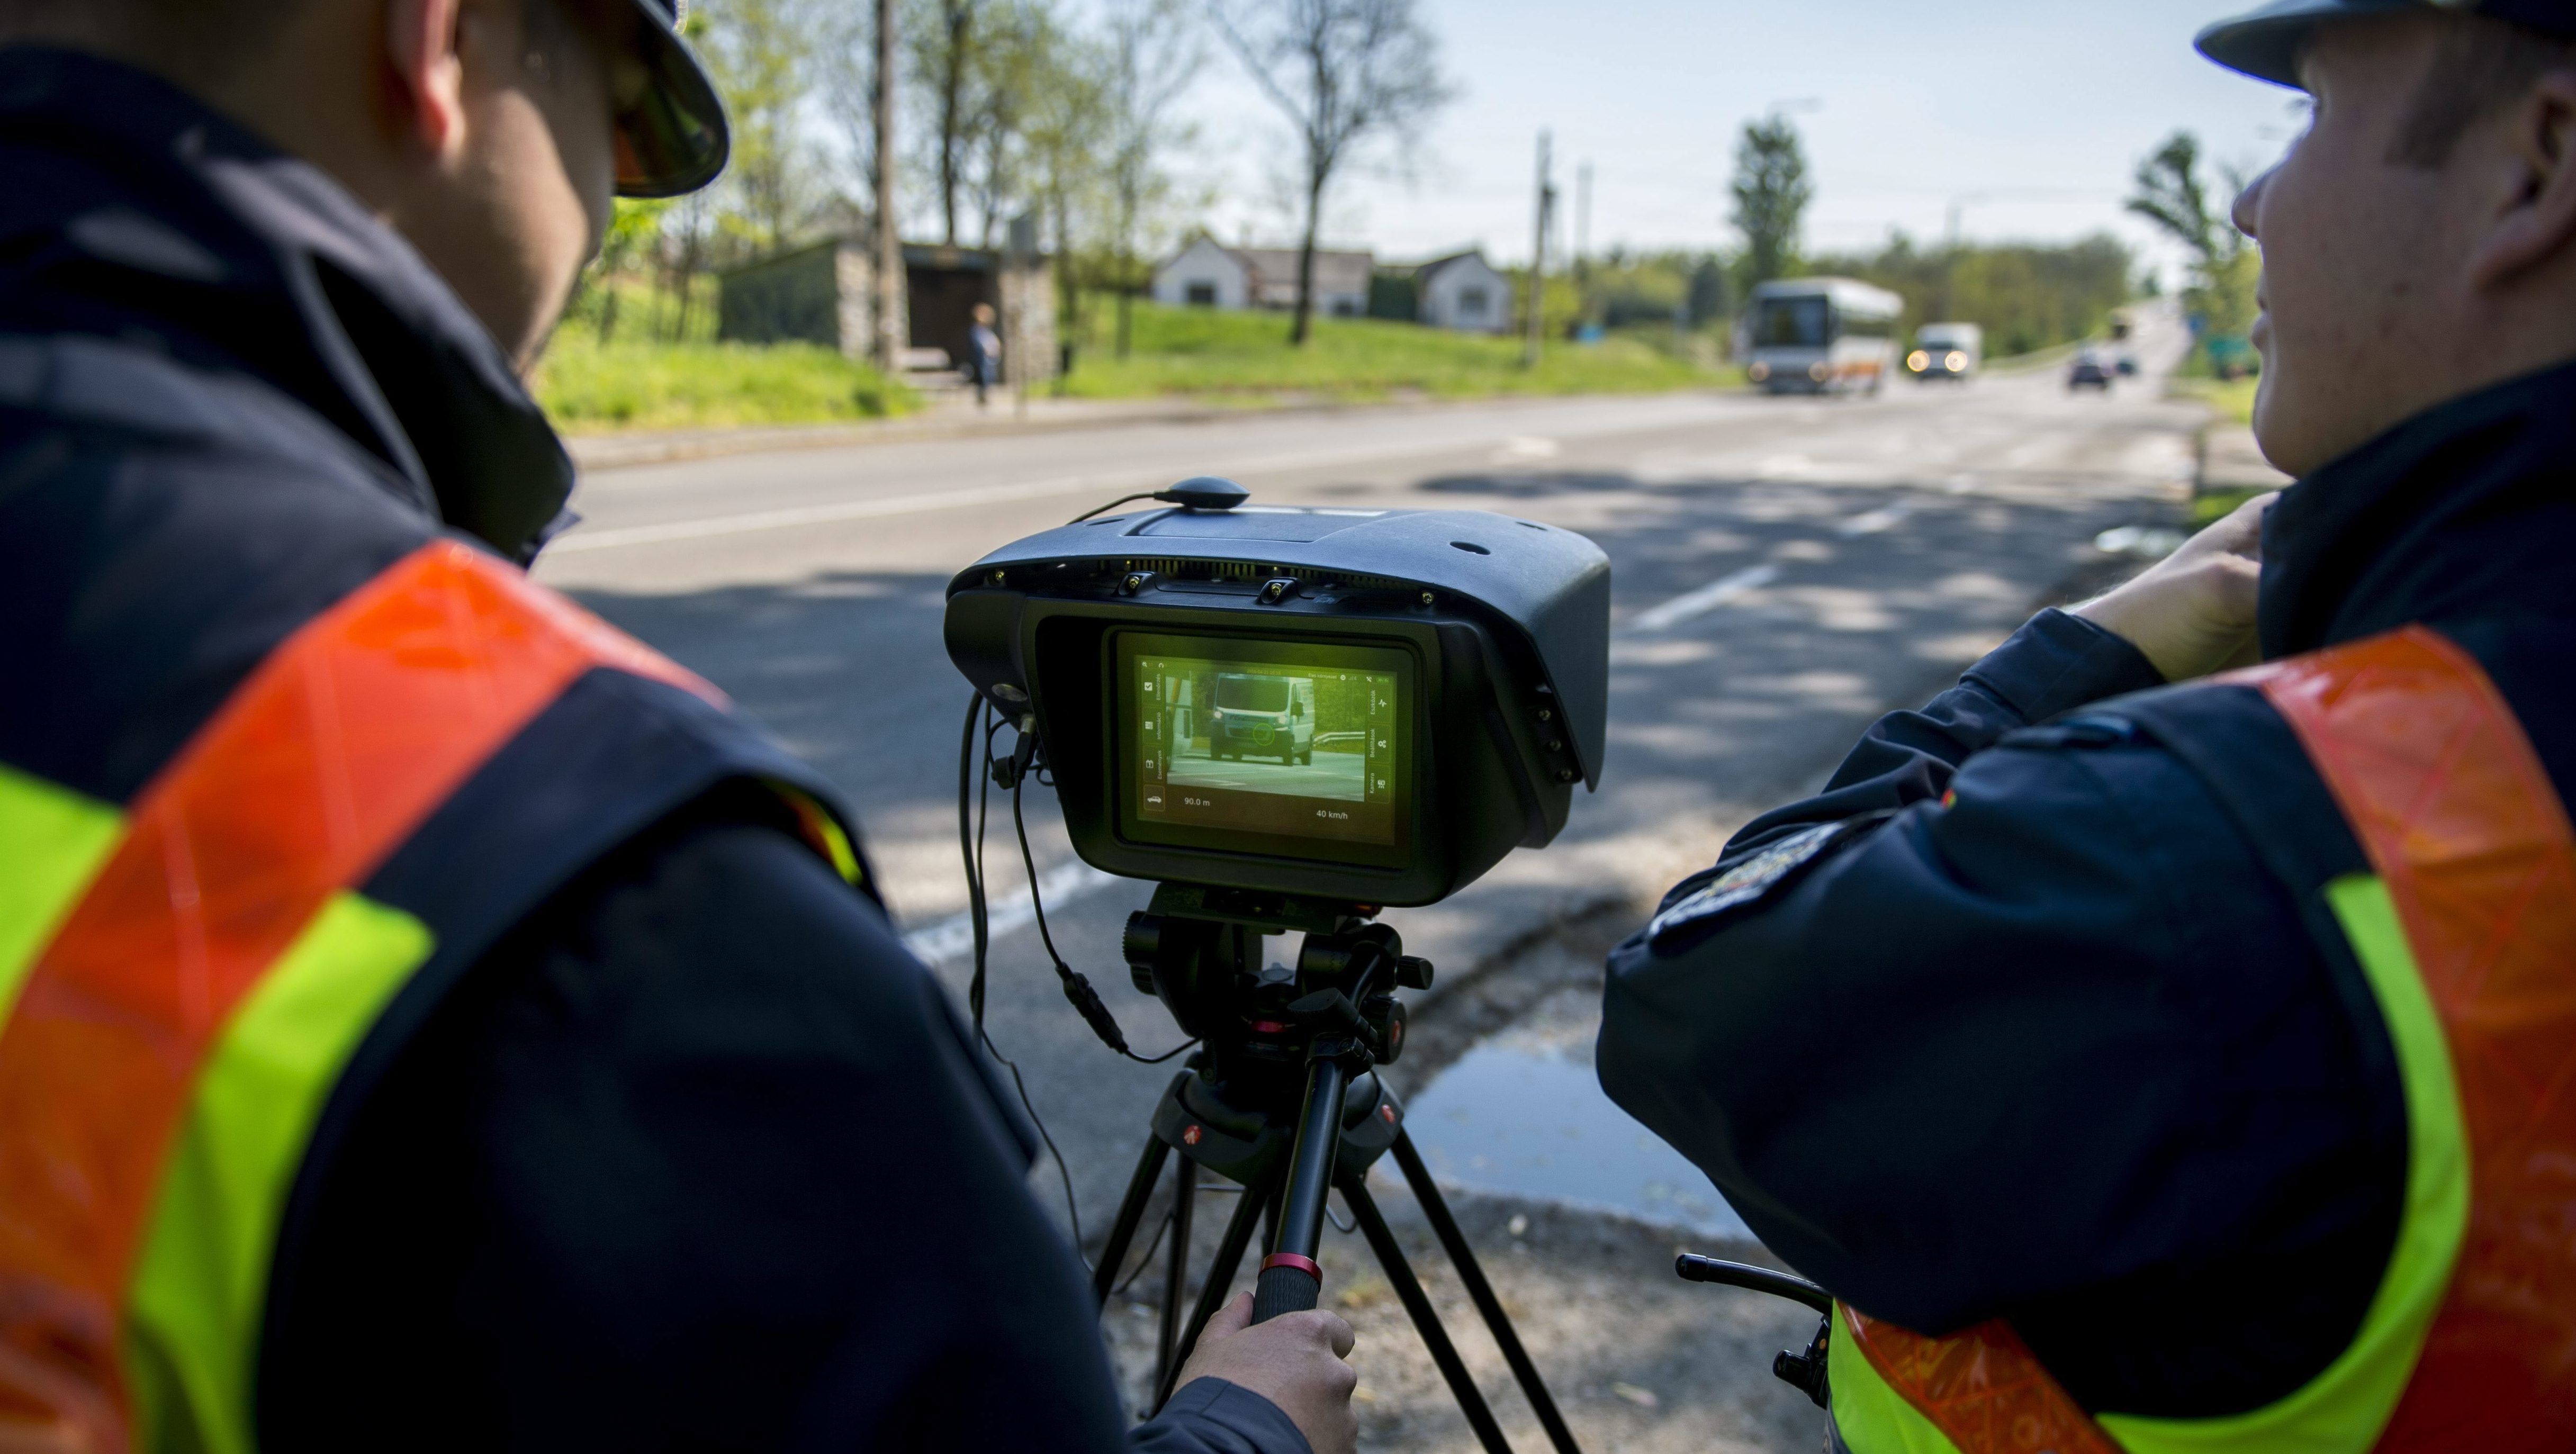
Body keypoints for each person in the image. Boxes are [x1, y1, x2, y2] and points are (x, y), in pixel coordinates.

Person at [0, 3, 1357, 1452]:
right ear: (431, 38)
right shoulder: (597, 890)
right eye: (621, 112)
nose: (604, 206)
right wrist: (1246, 1428)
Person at [1598, 1, 2576, 1449]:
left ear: (2537, 164)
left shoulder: (2199, 856)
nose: (2249, 203)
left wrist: (2077, 657)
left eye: (2307, 115)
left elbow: (1689, 999)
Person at [968, 300, 1004, 407]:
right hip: (981, 358)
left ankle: (984, 395)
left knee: (989, 377)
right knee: (983, 377)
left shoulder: (987, 331)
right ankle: (982, 396)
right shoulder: (976, 330)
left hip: (990, 358)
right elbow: (978, 345)